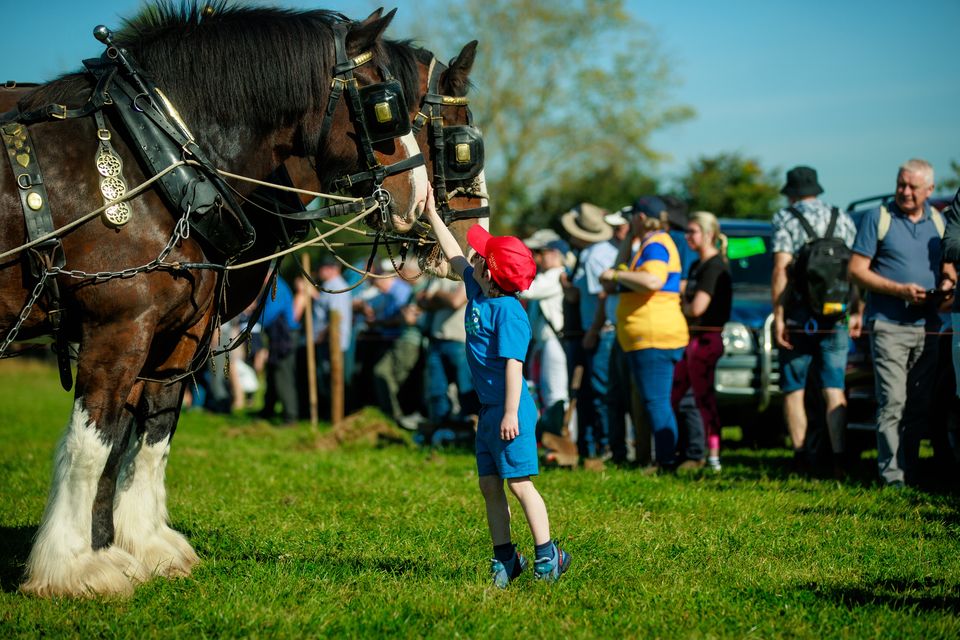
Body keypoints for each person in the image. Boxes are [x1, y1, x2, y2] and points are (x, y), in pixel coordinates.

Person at [424, 186, 571, 588]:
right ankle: (506, 558)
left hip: (511, 410)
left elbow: (514, 368)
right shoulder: (479, 290)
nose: (473, 254)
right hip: (490, 411)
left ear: (490, 272)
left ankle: (548, 555)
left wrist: (509, 412)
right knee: (490, 485)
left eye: (481, 254)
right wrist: (431, 214)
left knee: (520, 485)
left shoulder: (509, 312)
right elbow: (455, 254)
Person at [848, 159, 955, 487]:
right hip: (889, 325)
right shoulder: (877, 218)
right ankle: (892, 476)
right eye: (901, 184)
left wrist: (948, 285)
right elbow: (856, 270)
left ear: (929, 190)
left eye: (912, 187)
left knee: (920, 404)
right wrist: (899, 290)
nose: (905, 192)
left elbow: (949, 268)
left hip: (929, 326)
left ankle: (911, 468)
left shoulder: (938, 221)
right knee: (892, 401)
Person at [771, 166, 859, 475]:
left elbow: (781, 269)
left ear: (791, 193)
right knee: (833, 387)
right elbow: (853, 269)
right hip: (835, 315)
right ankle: (839, 457)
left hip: (798, 315)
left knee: (794, 388)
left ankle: (801, 457)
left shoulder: (786, 219)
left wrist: (779, 316)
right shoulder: (841, 218)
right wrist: (856, 310)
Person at [600, 200, 688, 470]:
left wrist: (615, 275)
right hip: (648, 335)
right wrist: (627, 248)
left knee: (656, 402)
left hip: (653, 336)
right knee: (654, 401)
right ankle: (662, 458)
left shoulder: (656, 245)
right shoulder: (648, 243)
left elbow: (653, 281)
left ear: (639, 217)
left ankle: (665, 461)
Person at [672, 211, 732, 471]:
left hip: (707, 340)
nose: (688, 237)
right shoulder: (698, 265)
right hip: (693, 340)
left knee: (703, 398)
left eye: (693, 231)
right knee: (677, 395)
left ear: (708, 234)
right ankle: (685, 449)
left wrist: (679, 304)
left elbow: (697, 307)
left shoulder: (714, 266)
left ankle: (713, 456)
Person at [562, 202, 617, 460]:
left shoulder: (595, 257)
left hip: (599, 331)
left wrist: (593, 331)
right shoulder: (597, 253)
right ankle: (599, 444)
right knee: (594, 391)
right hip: (595, 330)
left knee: (599, 391)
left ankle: (605, 444)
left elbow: (603, 296)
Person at [521, 233, 570, 431]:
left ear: (556, 253)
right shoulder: (546, 275)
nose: (538, 257)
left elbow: (528, 291)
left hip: (553, 341)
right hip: (543, 341)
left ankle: (561, 435)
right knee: (541, 390)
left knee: (555, 391)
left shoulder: (557, 274)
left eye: (542, 252)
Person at [416, 274, 479, 429]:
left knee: (466, 390)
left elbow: (455, 302)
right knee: (437, 391)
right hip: (437, 339)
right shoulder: (438, 276)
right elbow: (422, 301)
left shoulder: (468, 275)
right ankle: (441, 431)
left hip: (459, 340)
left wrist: (436, 295)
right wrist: (440, 299)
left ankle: (468, 432)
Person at [258, 272, 301, 426]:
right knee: (273, 375)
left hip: (285, 337)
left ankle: (290, 417)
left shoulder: (277, 285)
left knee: (283, 376)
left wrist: (254, 320)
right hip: (278, 336)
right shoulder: (274, 284)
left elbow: (271, 311)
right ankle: (267, 411)